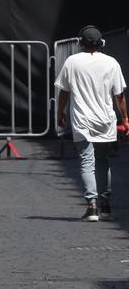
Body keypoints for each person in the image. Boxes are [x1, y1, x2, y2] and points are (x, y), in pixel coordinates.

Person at [55, 25, 128, 222]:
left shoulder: (72, 62)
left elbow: (64, 91)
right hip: (105, 120)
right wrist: (126, 119)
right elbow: (119, 95)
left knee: (87, 162)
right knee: (103, 161)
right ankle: (105, 205)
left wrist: (59, 112)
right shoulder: (111, 62)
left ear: (80, 43)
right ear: (101, 43)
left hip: (82, 120)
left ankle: (92, 205)